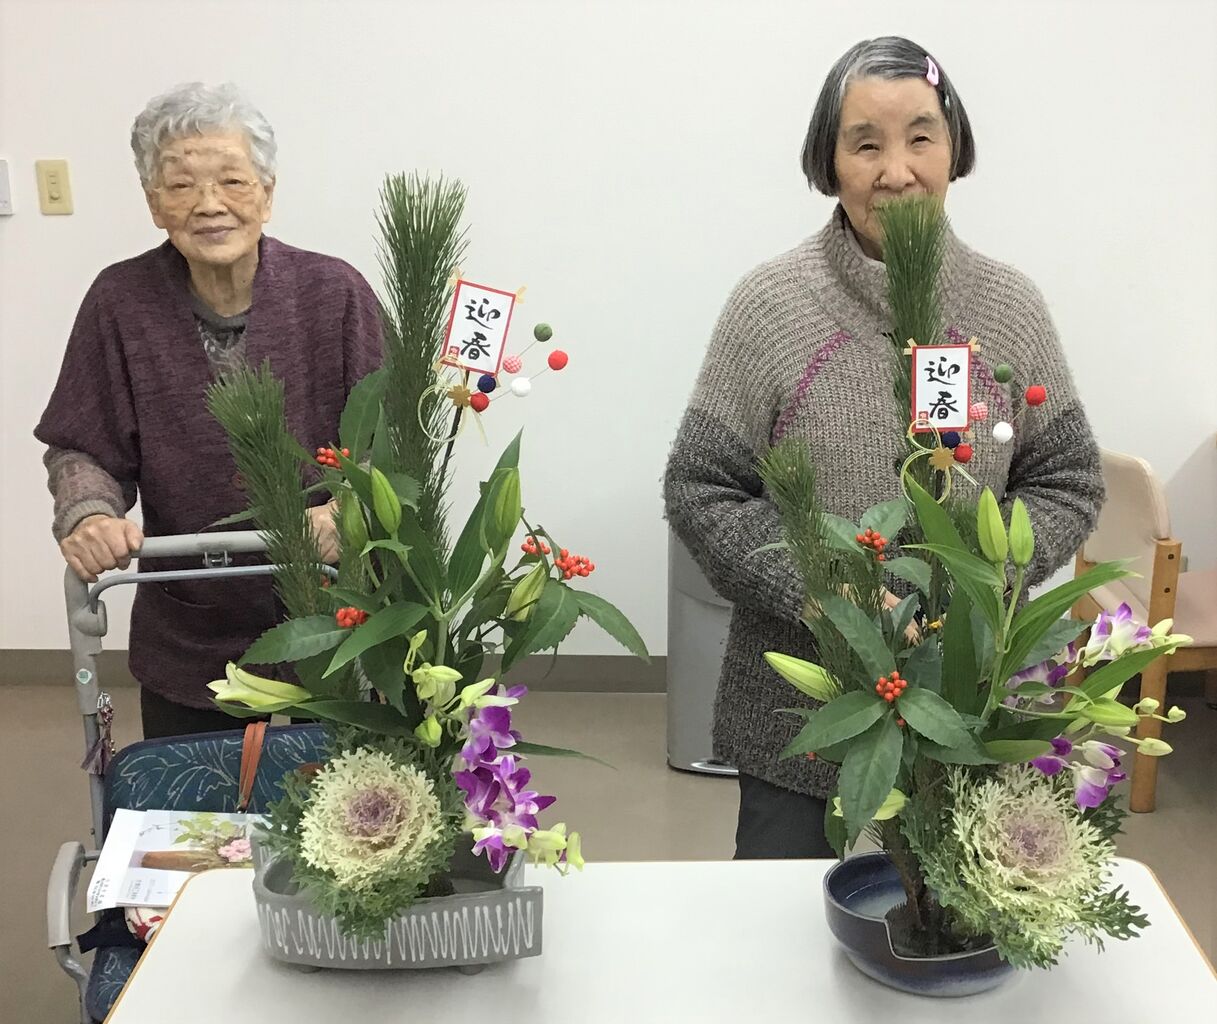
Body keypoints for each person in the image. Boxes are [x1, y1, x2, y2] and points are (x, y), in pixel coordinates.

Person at [663, 37, 1104, 858]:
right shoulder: (770, 306)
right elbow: (701, 487)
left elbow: (1066, 479)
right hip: (797, 705)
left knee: (953, 940)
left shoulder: (1008, 307)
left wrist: (980, 574)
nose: (895, 170)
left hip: (965, 702)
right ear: (827, 162)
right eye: (864, 143)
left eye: (920, 137)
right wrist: (826, 592)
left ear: (954, 150)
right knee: (781, 939)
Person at [36, 82, 383, 738]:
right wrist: (90, 514)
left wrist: (350, 508)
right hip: (192, 621)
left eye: (232, 180)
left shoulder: (334, 292)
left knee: (348, 816)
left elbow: (392, 436)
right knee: (203, 822)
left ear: (268, 193)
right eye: (180, 186)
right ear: (152, 204)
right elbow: (83, 444)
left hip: (340, 608)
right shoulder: (120, 302)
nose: (209, 205)